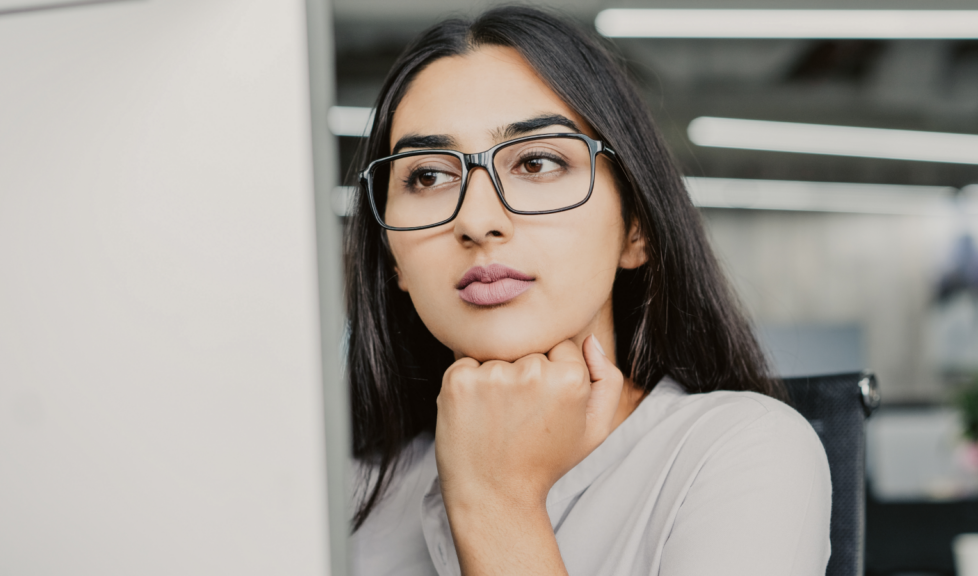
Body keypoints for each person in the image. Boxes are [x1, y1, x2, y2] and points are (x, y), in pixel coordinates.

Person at [344, 6, 831, 576]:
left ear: (636, 228)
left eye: (537, 161)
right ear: (393, 257)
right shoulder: (352, 497)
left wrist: (495, 500)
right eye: (426, 176)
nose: (477, 220)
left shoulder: (742, 452)